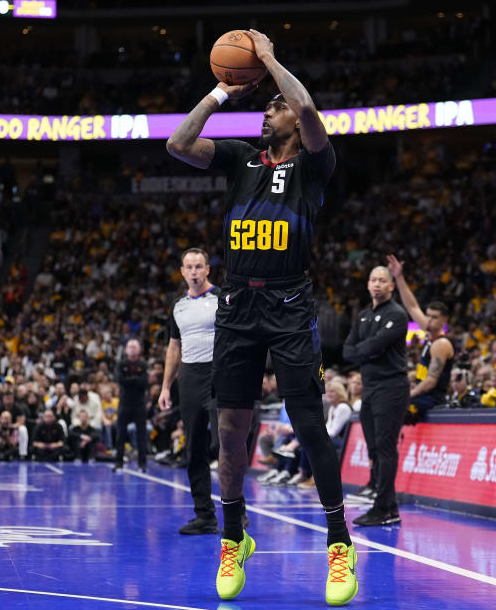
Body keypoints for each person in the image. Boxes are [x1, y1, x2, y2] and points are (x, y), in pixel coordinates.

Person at [166, 29, 356, 605]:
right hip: (238, 305)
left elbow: (302, 104)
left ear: (293, 125)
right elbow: (177, 143)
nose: (268, 112)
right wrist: (221, 91)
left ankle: (339, 544)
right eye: (267, 105)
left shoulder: (313, 166)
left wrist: (269, 61)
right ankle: (233, 536)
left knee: (308, 427)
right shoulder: (242, 159)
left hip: (291, 304)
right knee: (230, 431)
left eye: (274, 108)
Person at [159, 247, 221, 535]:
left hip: (220, 373)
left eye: (199, 266)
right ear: (182, 272)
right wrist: (165, 387)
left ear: (208, 269)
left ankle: (237, 512)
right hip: (190, 376)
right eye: (189, 267)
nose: (194, 272)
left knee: (225, 445)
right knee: (194, 447)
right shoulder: (177, 306)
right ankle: (204, 516)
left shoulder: (223, 299)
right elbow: (174, 347)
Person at [342, 265, 409, 526]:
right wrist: (365, 350)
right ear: (368, 285)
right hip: (370, 389)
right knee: (374, 449)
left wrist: (364, 350)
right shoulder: (363, 316)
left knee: (385, 447)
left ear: (391, 286)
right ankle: (388, 507)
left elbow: (375, 345)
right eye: (373, 280)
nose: (377, 284)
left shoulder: (397, 314)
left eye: (382, 280)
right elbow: (347, 351)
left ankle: (383, 507)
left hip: (391, 387)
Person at [386, 255, 455, 415]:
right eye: (428, 315)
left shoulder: (441, 344)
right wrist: (399, 277)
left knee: (391, 407)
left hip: (431, 399)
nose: (428, 320)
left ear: (444, 320)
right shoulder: (430, 333)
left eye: (434, 317)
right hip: (422, 395)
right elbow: (412, 306)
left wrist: (409, 394)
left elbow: (431, 381)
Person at [114, 339, 149, 472]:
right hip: (124, 403)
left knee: (141, 435)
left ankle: (142, 463)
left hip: (139, 404)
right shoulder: (120, 364)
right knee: (120, 434)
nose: (133, 349)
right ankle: (118, 462)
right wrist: (136, 380)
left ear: (139, 350)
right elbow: (120, 380)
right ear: (126, 349)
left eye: (135, 347)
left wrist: (130, 381)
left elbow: (145, 383)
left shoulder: (143, 364)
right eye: (130, 347)